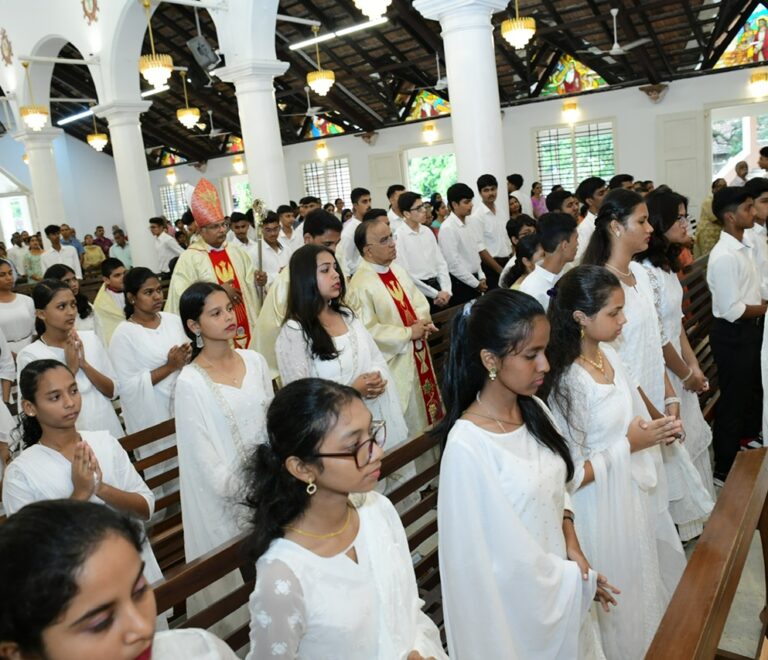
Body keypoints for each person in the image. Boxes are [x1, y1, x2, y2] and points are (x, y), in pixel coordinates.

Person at [435, 288, 615, 658]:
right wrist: (568, 581)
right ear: (490, 359)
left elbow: (557, 485)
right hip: (516, 613)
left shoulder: (533, 410)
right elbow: (494, 559)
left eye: (545, 351)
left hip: (557, 586)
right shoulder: (468, 446)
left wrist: (573, 546)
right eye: (531, 355)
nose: (545, 365)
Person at [243, 379, 447, 660]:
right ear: (302, 468)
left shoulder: (377, 510)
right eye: (354, 446)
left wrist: (420, 650)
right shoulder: (284, 575)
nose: (377, 452)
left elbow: (408, 611)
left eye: (372, 434)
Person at [545, 266, 685, 659]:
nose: (623, 320)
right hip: (597, 511)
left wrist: (654, 427)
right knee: (617, 603)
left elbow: (629, 418)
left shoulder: (609, 355)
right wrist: (629, 445)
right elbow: (568, 478)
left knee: (642, 586)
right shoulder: (567, 380)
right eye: (614, 313)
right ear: (580, 318)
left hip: (629, 497)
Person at [581, 189, 700, 586]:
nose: (651, 229)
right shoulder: (601, 284)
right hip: (627, 416)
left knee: (658, 508)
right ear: (616, 226)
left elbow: (655, 343)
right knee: (639, 512)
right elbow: (621, 365)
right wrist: (654, 416)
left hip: (654, 408)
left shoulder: (642, 276)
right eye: (642, 221)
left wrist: (669, 396)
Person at [0, 500, 237, 659]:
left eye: (140, 591)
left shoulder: (198, 651)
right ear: (16, 654)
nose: (143, 628)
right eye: (100, 623)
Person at [2, 360, 162, 586]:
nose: (70, 403)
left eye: (74, 390)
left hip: (134, 565)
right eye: (55, 397)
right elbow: (30, 552)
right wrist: (80, 493)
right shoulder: (21, 473)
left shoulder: (104, 442)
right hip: (79, 585)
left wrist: (101, 488)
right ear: (30, 407)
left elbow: (146, 508)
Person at [175, 282, 273, 607]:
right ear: (194, 325)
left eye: (229, 308)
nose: (229, 317)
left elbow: (274, 425)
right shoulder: (190, 382)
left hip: (272, 484)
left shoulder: (255, 360)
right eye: (215, 313)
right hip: (231, 500)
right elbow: (204, 460)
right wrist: (250, 493)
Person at [276, 244, 408, 460]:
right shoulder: (294, 333)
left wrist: (376, 377)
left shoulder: (346, 315)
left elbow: (375, 357)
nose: (336, 274)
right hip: (335, 438)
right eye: (325, 270)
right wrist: (352, 391)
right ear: (305, 278)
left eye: (335, 268)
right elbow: (301, 402)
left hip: (373, 418)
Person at [638, 187, 716, 537]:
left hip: (680, 367)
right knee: (674, 447)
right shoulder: (645, 273)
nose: (686, 224)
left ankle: (694, 519)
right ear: (660, 223)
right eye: (679, 218)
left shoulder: (666, 266)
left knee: (693, 438)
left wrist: (694, 366)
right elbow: (657, 333)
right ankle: (677, 526)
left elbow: (677, 324)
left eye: (685, 216)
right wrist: (685, 373)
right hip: (662, 369)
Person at [348, 219, 442, 439]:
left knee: (430, 413)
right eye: (384, 240)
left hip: (419, 356)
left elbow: (419, 303)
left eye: (391, 236)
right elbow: (367, 332)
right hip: (397, 366)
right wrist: (409, 333)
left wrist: (423, 322)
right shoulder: (360, 285)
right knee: (411, 422)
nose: (392, 243)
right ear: (367, 250)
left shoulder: (397, 270)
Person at [706, 187, 765, 483]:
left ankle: (746, 438)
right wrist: (765, 309)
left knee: (750, 388)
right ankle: (723, 467)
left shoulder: (744, 244)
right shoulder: (725, 256)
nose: (753, 213)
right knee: (732, 398)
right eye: (747, 208)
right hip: (733, 334)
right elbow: (732, 309)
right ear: (730, 217)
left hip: (747, 330)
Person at [17, 280, 123, 439]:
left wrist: (84, 364)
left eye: (73, 304)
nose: (71, 312)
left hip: (107, 427)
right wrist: (71, 369)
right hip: (68, 436)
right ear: (41, 314)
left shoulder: (90, 340)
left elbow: (113, 392)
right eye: (61, 307)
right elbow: (33, 411)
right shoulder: (31, 355)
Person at [166, 179, 261, 349]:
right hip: (214, 335)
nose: (223, 230)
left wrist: (259, 283)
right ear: (202, 230)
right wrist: (218, 291)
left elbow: (250, 288)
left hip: (244, 323)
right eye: (215, 227)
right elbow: (182, 296)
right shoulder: (189, 258)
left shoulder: (236, 251)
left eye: (223, 225)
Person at [255, 210, 344, 377]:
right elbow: (274, 333)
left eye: (336, 244)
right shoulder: (288, 281)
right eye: (327, 244)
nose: (333, 250)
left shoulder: (335, 269)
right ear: (308, 239)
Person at [394, 191, 452, 314]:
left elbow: (441, 263)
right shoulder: (399, 236)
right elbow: (405, 274)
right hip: (419, 292)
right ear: (406, 214)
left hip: (438, 287)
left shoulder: (427, 231)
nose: (424, 211)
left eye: (424, 207)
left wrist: (446, 290)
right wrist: (435, 294)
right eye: (419, 208)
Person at [438, 182, 488, 304]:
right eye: (466, 202)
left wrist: (481, 276)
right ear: (454, 204)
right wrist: (475, 283)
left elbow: (475, 253)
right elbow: (453, 264)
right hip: (461, 283)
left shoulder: (470, 222)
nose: (471, 205)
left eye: (471, 201)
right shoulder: (447, 228)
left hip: (475, 279)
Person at [519, 212, 578, 311]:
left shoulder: (571, 271)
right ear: (565, 245)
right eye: (576, 239)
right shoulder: (531, 289)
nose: (577, 244)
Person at [474, 174, 512, 288]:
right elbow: (480, 250)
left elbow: (507, 238)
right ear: (480, 193)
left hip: (508, 262)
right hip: (492, 267)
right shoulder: (477, 216)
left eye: (493, 189)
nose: (491, 193)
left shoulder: (501, 211)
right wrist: (500, 270)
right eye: (486, 190)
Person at [43, 263, 97, 335]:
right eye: (67, 281)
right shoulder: (50, 311)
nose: (74, 284)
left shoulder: (85, 303)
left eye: (74, 279)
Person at [0, 259, 35, 355]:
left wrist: (32, 350)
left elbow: (34, 329)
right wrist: (11, 356)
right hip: (4, 354)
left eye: (10, 273)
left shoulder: (26, 300)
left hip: (31, 348)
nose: (9, 278)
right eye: (2, 275)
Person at [92, 258, 126, 346]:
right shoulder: (100, 304)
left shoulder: (135, 291)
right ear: (106, 280)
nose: (123, 278)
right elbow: (105, 330)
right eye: (117, 275)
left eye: (124, 273)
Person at [338, 187, 372, 276]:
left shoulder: (370, 224)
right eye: (364, 201)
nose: (369, 205)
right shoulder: (349, 231)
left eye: (369, 200)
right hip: (359, 276)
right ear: (355, 206)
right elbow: (345, 261)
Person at [573, 177, 608, 265]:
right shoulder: (584, 228)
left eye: (607, 190)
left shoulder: (611, 217)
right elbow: (579, 260)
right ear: (590, 201)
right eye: (601, 193)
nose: (607, 195)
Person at [693, 178, 727, 258]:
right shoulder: (709, 200)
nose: (723, 188)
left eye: (725, 186)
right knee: (708, 258)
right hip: (707, 234)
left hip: (717, 233)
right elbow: (715, 218)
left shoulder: (721, 200)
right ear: (713, 189)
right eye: (720, 186)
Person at [259, 212, 288, 290]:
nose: (273, 233)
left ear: (279, 227)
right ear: (261, 229)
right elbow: (255, 281)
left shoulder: (286, 247)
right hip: (269, 298)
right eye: (268, 230)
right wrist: (279, 274)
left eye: (276, 229)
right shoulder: (256, 252)